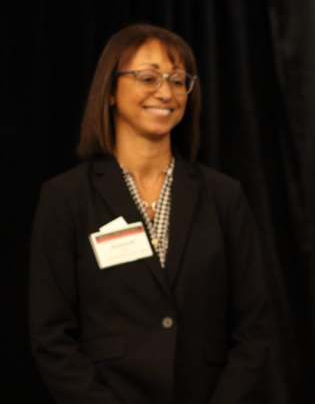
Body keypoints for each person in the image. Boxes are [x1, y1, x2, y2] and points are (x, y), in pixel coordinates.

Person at [29, 24, 271, 404]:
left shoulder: (223, 195)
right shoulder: (67, 197)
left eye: (178, 80)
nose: (165, 92)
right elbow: (51, 335)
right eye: (148, 77)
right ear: (110, 90)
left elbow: (254, 328)